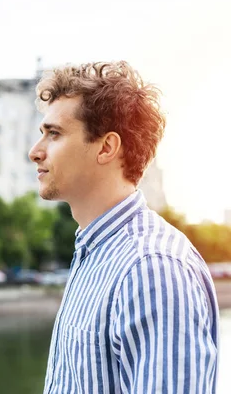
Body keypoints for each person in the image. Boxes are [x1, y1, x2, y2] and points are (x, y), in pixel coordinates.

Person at [29, 61, 219, 393]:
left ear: (106, 147)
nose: (35, 152)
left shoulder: (152, 268)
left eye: (54, 133)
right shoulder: (96, 251)